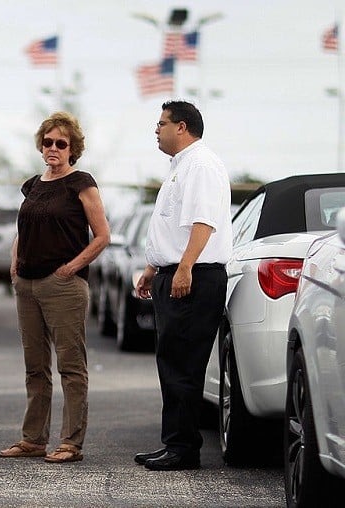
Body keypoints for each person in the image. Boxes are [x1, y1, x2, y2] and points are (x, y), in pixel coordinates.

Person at [0, 111, 110, 464]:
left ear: (72, 149)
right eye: (48, 142)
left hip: (63, 286)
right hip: (27, 284)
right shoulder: (33, 185)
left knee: (71, 367)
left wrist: (71, 268)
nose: (53, 148)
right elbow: (25, 228)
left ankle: (71, 443)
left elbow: (102, 236)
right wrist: (15, 263)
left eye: (61, 144)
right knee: (35, 366)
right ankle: (33, 439)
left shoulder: (81, 183)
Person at [133, 100, 233, 471]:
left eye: (161, 123)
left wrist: (185, 266)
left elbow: (203, 222)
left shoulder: (201, 165)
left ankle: (183, 449)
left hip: (193, 276)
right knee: (171, 361)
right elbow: (172, 225)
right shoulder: (181, 166)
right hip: (174, 272)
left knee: (183, 365)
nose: (156, 130)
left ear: (182, 126)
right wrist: (152, 268)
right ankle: (174, 443)